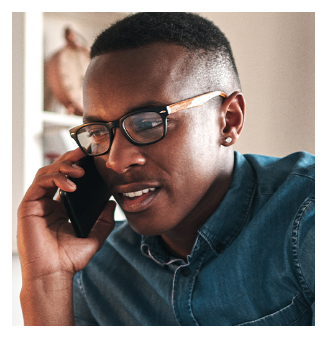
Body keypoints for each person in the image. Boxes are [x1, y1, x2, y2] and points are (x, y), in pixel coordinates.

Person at [17, 12, 315, 326]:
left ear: (229, 120)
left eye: (147, 123)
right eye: (99, 132)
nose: (116, 161)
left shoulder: (307, 219)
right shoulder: (92, 266)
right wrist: (46, 280)